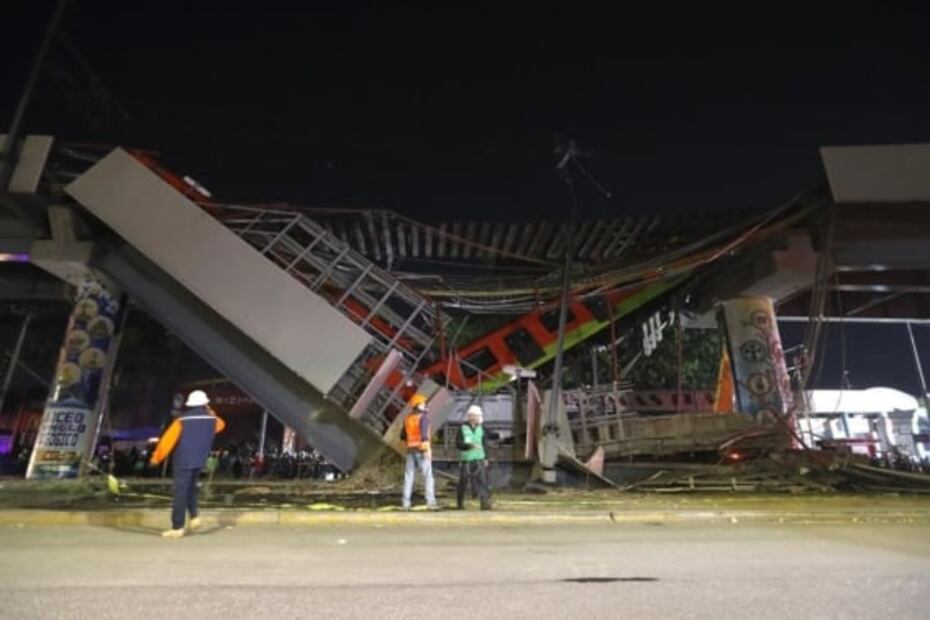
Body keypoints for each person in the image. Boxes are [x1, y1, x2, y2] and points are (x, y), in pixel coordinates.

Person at [150, 390, 226, 538]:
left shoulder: (182, 420)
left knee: (180, 493)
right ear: (205, 403)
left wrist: (156, 458)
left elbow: (167, 441)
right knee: (190, 489)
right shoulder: (212, 420)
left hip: (183, 460)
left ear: (190, 404)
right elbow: (221, 425)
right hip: (199, 460)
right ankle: (194, 517)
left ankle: (177, 527)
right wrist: (210, 410)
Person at [399, 393, 438, 511]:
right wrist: (426, 450)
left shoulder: (407, 419)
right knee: (428, 477)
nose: (425, 405)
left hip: (410, 451)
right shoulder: (423, 418)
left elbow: (402, 436)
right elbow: (424, 435)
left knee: (408, 477)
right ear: (417, 405)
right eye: (423, 403)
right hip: (422, 451)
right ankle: (430, 502)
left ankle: (405, 503)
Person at [456, 405, 491, 510]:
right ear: (470, 416)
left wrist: (486, 458)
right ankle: (460, 503)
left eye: (478, 416)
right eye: (476, 416)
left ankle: (484, 503)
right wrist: (469, 446)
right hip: (467, 459)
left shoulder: (482, 428)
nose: (477, 418)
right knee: (463, 481)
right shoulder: (462, 428)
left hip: (479, 458)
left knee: (483, 481)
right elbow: (458, 444)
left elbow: (485, 444)